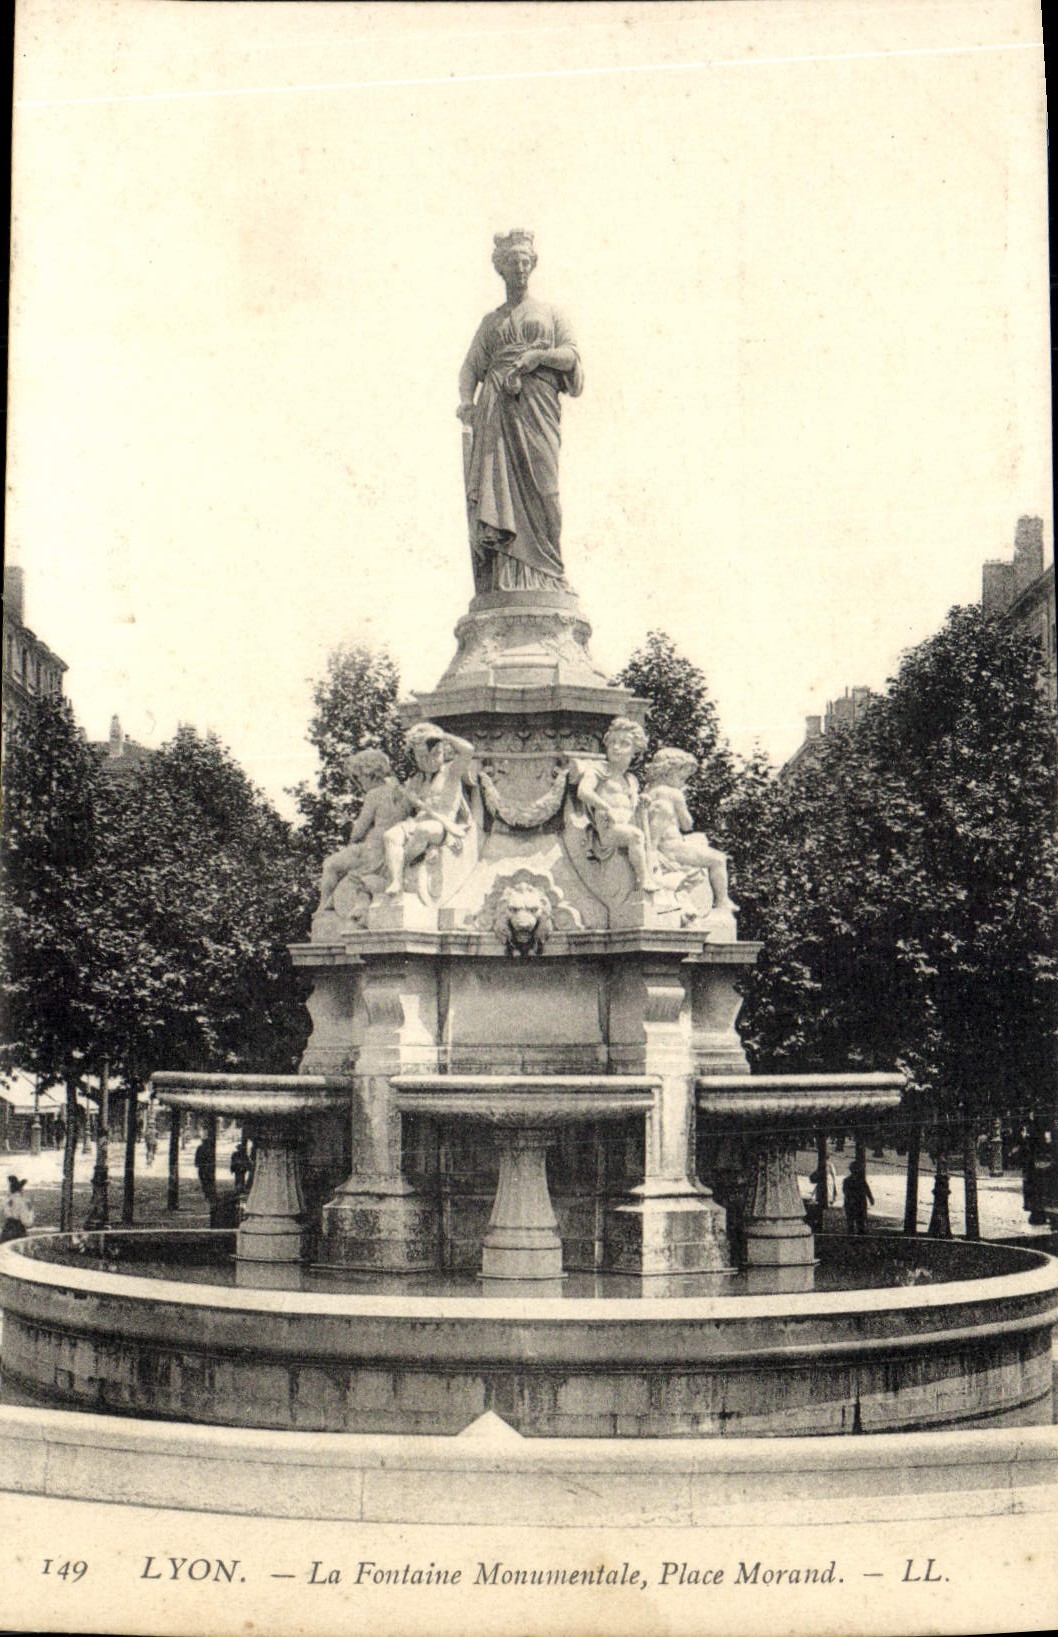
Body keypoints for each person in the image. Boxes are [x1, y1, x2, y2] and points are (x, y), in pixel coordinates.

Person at [458, 229, 583, 593]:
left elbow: (571, 355)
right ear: (501, 268)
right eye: (511, 261)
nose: (519, 267)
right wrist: (467, 402)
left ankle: (552, 572)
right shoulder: (490, 324)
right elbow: (469, 369)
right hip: (497, 410)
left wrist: (537, 357)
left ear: (533, 263)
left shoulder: (551, 313)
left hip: (537, 408)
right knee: (499, 492)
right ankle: (505, 578)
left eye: (525, 260)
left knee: (547, 490)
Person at [383, 724, 476, 895]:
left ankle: (400, 865)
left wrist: (443, 735)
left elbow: (468, 750)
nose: (430, 761)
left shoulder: (451, 771)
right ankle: (396, 881)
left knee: (424, 830)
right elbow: (401, 813)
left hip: (441, 825)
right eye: (423, 757)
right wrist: (399, 794)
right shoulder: (416, 780)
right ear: (414, 758)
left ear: (443, 752)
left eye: (436, 754)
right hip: (416, 821)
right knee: (390, 835)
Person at [640, 748, 737, 912]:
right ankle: (722, 901)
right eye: (682, 777)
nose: (683, 782)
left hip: (660, 848)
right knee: (719, 859)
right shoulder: (674, 793)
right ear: (668, 772)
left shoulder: (648, 792)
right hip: (674, 848)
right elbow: (687, 824)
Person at [317, 749, 413, 913]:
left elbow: (360, 828)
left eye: (358, 777)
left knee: (330, 865)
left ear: (370, 773)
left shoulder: (374, 794)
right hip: (390, 849)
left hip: (371, 850)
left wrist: (352, 840)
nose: (358, 782)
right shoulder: (401, 791)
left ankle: (324, 907)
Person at [575, 718, 656, 892]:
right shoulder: (599, 770)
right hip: (607, 830)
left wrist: (643, 802)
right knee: (636, 836)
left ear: (636, 750)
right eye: (612, 742)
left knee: (644, 837)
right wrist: (605, 807)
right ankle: (644, 880)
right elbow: (583, 791)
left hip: (626, 826)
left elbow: (632, 809)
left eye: (624, 743)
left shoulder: (631, 780)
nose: (616, 747)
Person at [842, 1159, 874, 1235]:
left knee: (850, 1221)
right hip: (860, 1202)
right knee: (860, 1221)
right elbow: (867, 1190)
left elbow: (845, 1191)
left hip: (850, 1203)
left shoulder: (846, 1180)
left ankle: (852, 1235)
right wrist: (871, 1199)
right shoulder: (861, 1180)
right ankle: (860, 1235)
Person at [2, 1175, 35, 1242]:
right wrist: (31, 1211)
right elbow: (27, 1222)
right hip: (18, 1232)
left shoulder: (6, 1200)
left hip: (6, 1230)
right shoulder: (21, 1202)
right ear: (21, 1189)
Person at [194, 1131, 218, 1208]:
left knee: (204, 1182)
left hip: (202, 1167)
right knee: (208, 1181)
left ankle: (207, 1194)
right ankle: (209, 1195)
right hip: (208, 1167)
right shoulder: (210, 1148)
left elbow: (197, 1157)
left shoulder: (200, 1148)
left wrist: (197, 1164)